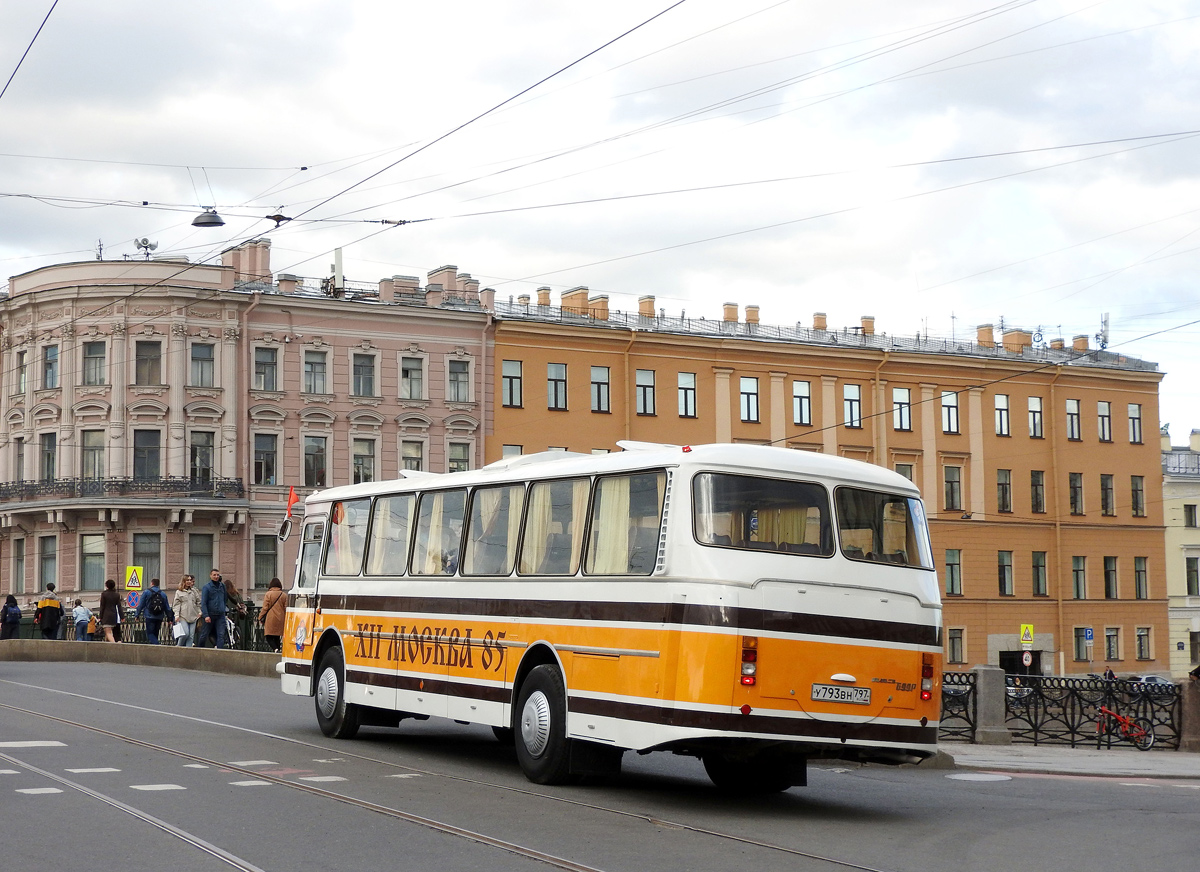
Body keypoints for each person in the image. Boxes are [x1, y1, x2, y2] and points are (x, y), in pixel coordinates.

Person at [135, 578, 174, 645]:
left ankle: (158, 645)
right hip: (159, 616)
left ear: (152, 583)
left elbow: (141, 604)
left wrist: (137, 615)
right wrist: (170, 618)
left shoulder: (146, 592)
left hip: (149, 616)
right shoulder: (163, 594)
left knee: (150, 634)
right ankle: (154, 650)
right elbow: (167, 607)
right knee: (156, 634)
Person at [199, 569, 228, 649]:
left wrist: (223, 608)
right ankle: (199, 650)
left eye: (217, 575)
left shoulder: (222, 586)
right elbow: (204, 602)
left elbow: (225, 598)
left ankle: (219, 652)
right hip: (210, 614)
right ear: (210, 576)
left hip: (220, 615)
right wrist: (206, 615)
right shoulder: (207, 587)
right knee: (204, 635)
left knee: (221, 635)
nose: (216, 577)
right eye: (214, 575)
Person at [257, 578, 286, 653]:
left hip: (271, 617)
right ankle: (278, 650)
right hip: (280, 618)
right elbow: (285, 608)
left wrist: (260, 617)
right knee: (277, 636)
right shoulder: (283, 595)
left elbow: (265, 608)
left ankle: (275, 649)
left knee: (268, 636)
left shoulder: (268, 594)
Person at [172, 574, 201, 647]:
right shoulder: (179, 592)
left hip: (193, 616)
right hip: (183, 616)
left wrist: (199, 612)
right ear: (184, 581)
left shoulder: (194, 591)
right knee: (185, 633)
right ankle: (178, 647)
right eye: (187, 580)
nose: (189, 581)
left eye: (190, 580)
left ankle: (188, 651)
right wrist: (177, 615)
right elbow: (176, 605)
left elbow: (198, 602)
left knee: (191, 636)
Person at [98, 579, 123, 643]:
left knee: (108, 632)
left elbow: (102, 606)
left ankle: (114, 645)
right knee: (108, 634)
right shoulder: (117, 594)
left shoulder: (104, 594)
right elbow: (119, 607)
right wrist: (122, 617)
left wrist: (100, 617)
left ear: (107, 586)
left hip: (106, 616)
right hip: (114, 615)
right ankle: (107, 648)